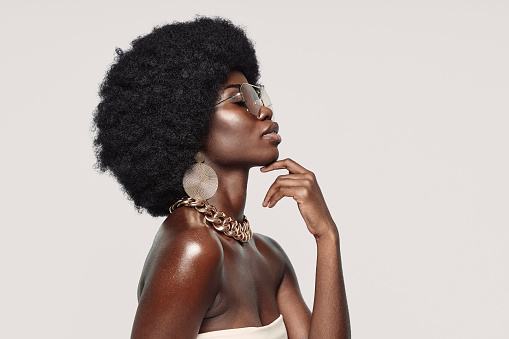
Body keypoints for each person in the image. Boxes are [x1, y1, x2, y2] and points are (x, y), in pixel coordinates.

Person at [93, 16, 350, 339]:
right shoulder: (193, 247)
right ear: (188, 125)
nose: (264, 111)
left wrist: (327, 237)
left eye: (258, 96)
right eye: (241, 100)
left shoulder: (270, 257)